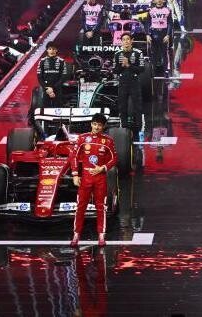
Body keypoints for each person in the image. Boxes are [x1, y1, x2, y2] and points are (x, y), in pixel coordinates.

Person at [69, 113, 117, 247]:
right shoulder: (82, 138)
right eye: (95, 124)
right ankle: (76, 235)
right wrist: (74, 174)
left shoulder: (108, 141)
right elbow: (73, 156)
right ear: (91, 124)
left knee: (101, 207)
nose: (96, 127)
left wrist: (103, 168)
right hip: (85, 178)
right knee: (80, 207)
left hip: (100, 178)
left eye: (99, 125)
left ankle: (101, 236)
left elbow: (114, 159)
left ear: (103, 126)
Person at [113, 33, 144, 130]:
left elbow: (142, 69)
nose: (126, 41)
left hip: (134, 82)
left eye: (128, 39)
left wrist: (129, 65)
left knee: (137, 105)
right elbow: (115, 70)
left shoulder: (139, 53)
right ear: (121, 42)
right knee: (122, 105)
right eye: (124, 40)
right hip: (122, 82)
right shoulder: (117, 54)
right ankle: (124, 126)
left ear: (132, 41)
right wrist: (122, 66)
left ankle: (139, 126)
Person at [146, 0, 173, 74]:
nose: (159, 0)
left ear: (163, 0)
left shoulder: (168, 10)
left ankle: (166, 70)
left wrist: (168, 35)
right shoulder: (151, 10)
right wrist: (147, 34)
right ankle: (152, 70)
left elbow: (170, 23)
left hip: (164, 33)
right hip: (153, 33)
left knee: (165, 52)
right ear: (154, 0)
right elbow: (147, 23)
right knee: (153, 52)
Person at [36, 42, 67, 107]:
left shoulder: (62, 61)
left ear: (56, 50)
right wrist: (47, 89)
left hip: (57, 89)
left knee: (58, 108)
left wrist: (53, 88)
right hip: (46, 89)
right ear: (47, 50)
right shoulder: (42, 61)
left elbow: (63, 77)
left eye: (53, 49)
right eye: (50, 49)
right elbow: (39, 77)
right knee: (45, 108)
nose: (52, 51)